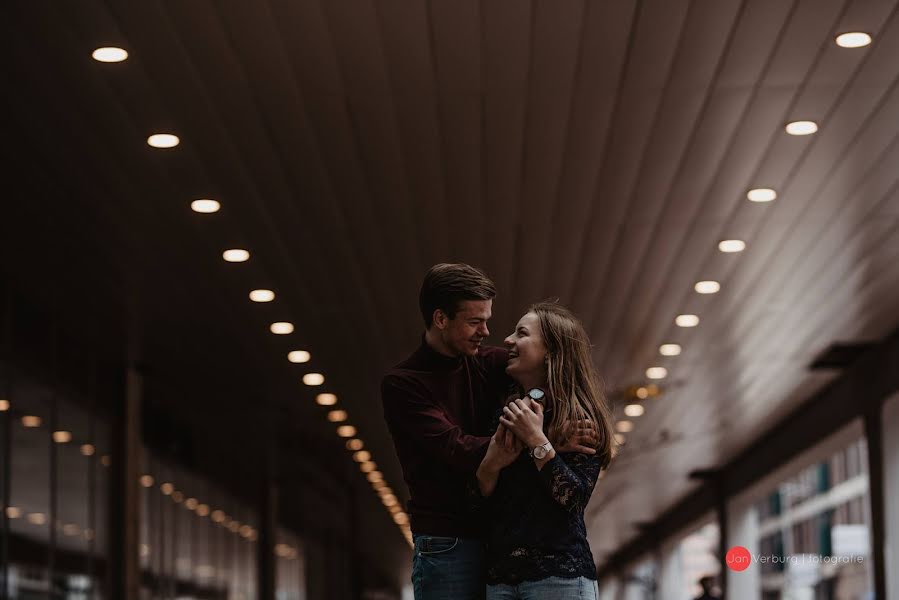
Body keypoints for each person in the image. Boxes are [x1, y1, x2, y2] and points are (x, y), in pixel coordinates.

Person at [382, 265, 597, 600]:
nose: (487, 331)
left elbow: (542, 380)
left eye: (487, 319)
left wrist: (549, 418)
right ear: (440, 318)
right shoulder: (404, 383)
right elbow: (458, 447)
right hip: (448, 539)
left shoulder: (489, 363)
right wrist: (546, 438)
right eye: (474, 321)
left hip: (498, 543)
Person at [474, 301, 615, 600]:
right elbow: (480, 503)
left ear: (551, 351)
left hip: (558, 577)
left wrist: (537, 441)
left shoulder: (579, 420)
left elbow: (573, 498)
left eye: (522, 333)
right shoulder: (507, 414)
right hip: (499, 578)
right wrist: (490, 465)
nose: (508, 340)